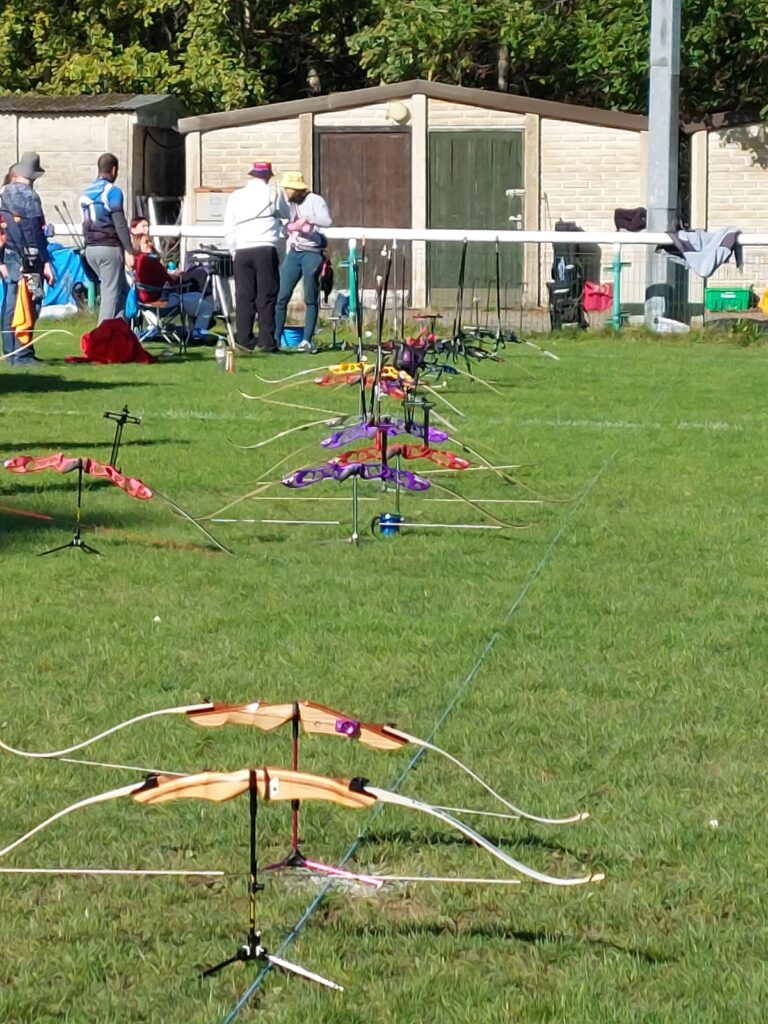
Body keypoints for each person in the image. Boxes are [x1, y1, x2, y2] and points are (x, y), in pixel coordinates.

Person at [224, 160, 288, 353]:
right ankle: (267, 341)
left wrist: (233, 250)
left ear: (251, 175)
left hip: (242, 249)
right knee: (266, 296)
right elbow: (286, 214)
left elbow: (229, 227)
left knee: (244, 296)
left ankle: (244, 339)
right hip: (265, 247)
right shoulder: (274, 193)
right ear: (268, 176)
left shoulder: (236, 196)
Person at [0, 152, 55, 367]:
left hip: (9, 254)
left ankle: (10, 351)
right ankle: (23, 354)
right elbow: (35, 233)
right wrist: (46, 262)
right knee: (31, 302)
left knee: (11, 303)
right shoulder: (30, 197)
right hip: (31, 259)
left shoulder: (3, 194)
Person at [274, 170, 333, 353]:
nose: (286, 192)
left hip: (311, 253)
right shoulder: (288, 204)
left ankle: (306, 339)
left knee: (310, 296)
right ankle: (275, 338)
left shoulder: (316, 200)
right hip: (294, 252)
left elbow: (327, 221)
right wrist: (287, 228)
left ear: (298, 189)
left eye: (289, 189)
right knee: (281, 295)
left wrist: (307, 220)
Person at [80, 153, 134, 324]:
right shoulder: (112, 191)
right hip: (109, 248)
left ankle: (119, 333)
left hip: (90, 249)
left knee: (122, 290)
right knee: (110, 295)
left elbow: (84, 224)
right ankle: (101, 336)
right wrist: (129, 250)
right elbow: (120, 223)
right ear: (114, 170)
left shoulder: (86, 192)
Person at [133, 235, 216, 342]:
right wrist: (176, 275)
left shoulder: (137, 260)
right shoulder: (150, 261)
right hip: (163, 303)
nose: (150, 244)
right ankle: (197, 334)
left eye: (150, 241)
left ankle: (190, 329)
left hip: (144, 303)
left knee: (196, 296)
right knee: (206, 306)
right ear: (138, 245)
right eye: (146, 242)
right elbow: (170, 282)